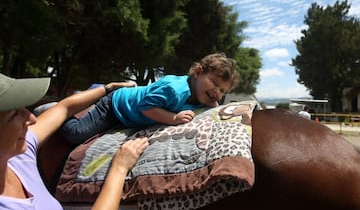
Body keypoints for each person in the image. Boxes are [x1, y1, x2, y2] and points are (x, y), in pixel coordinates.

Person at [0, 73, 149, 210]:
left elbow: (63, 108)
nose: (32, 119)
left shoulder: (16, 157)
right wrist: (119, 168)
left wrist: (107, 89)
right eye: (14, 114)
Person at [60, 52, 240, 144]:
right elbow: (146, 107)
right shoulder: (174, 89)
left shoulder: (200, 96)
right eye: (214, 84)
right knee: (74, 134)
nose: (217, 92)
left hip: (131, 116)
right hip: (117, 106)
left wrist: (213, 102)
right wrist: (173, 118)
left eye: (222, 91)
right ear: (199, 72)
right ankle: (68, 106)